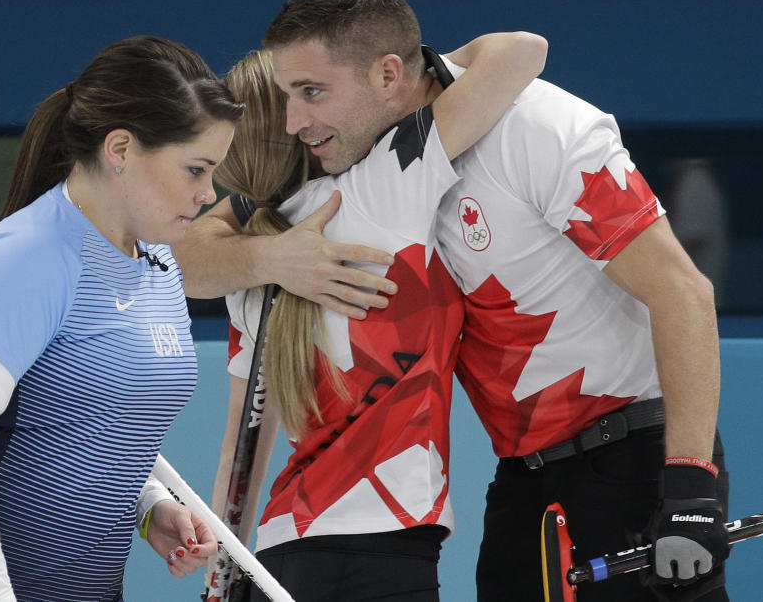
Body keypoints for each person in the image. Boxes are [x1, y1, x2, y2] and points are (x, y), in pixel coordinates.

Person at [174, 0, 730, 602]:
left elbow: (684, 292)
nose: (295, 120)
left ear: (388, 75)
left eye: (311, 93)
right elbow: (196, 253)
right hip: (524, 478)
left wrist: (690, 486)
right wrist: (275, 255)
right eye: (284, 100)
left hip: (634, 460)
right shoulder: (359, 173)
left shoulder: (536, 127)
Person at [0, 35, 244, 602]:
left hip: (82, 584)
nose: (206, 192)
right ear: (120, 149)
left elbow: (93, 418)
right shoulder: (28, 257)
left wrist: (149, 508)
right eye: (195, 169)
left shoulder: (160, 262)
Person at [206, 32, 546, 602]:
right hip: (384, 556)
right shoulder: (384, 185)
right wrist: (396, 70)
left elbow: (238, 451)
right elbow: (523, 50)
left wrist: (223, 579)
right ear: (294, 125)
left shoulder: (245, 259)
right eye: (304, 94)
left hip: (278, 551)